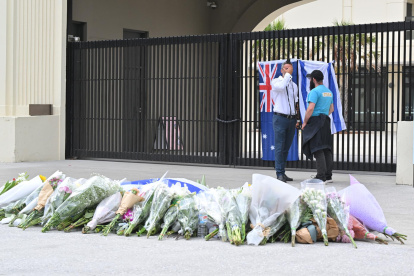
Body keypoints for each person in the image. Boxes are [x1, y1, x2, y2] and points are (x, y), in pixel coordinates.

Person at [301, 70, 334, 183]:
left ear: (314, 79)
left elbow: (310, 108)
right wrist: (323, 114)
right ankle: (328, 175)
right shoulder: (329, 92)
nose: (310, 81)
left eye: (311, 79)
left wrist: (305, 122)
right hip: (325, 121)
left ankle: (321, 176)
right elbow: (332, 109)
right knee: (326, 148)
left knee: (318, 148)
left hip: (316, 121)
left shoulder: (314, 92)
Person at [271, 59, 300, 183]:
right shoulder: (276, 81)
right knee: (279, 146)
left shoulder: (294, 86)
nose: (289, 71)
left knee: (286, 147)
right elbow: (282, 86)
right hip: (280, 118)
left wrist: (297, 118)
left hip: (291, 119)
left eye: (290, 68)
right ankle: (279, 173)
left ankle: (283, 171)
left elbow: (295, 103)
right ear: (282, 70)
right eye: (286, 68)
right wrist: (287, 75)